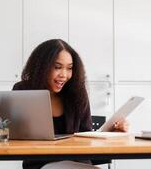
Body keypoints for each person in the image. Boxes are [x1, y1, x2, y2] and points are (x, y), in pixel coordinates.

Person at [13, 39, 128, 169]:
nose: (64, 75)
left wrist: (111, 134)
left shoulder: (77, 92)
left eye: (69, 68)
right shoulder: (23, 90)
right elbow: (15, 136)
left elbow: (86, 137)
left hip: (78, 163)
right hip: (41, 165)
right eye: (57, 67)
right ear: (42, 67)